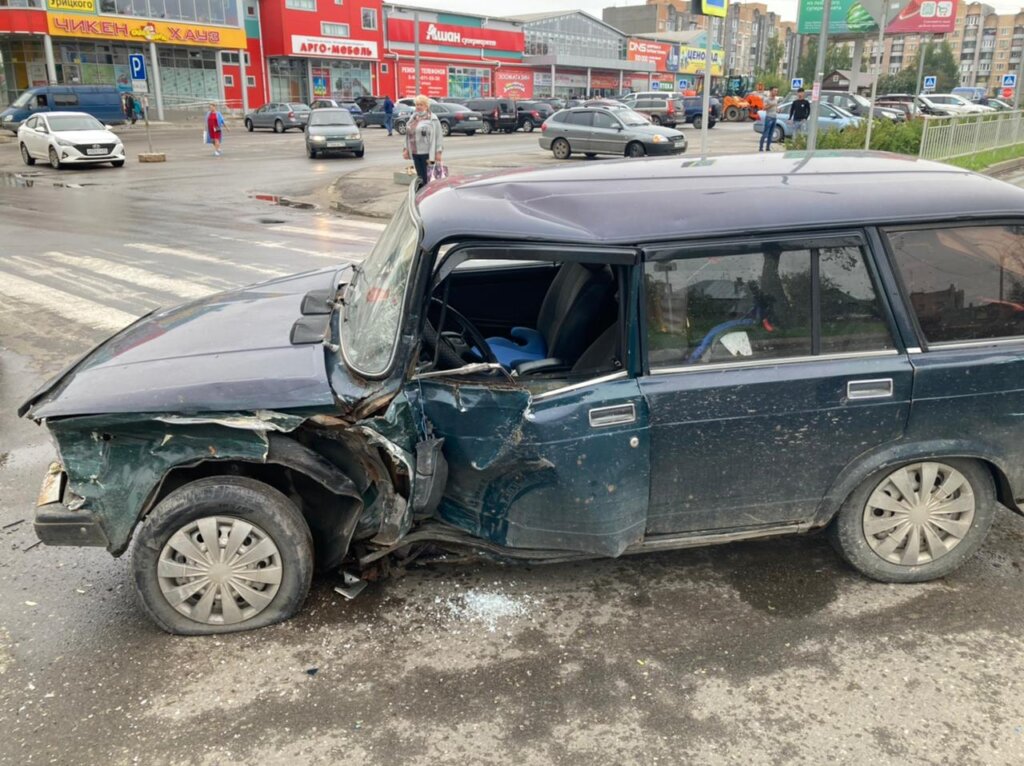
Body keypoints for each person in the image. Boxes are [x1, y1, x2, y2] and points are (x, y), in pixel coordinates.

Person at [402, 94, 443, 187]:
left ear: (426, 106)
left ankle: (429, 194)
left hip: (428, 153)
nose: (419, 107)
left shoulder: (432, 119)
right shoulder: (413, 118)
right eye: (417, 105)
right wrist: (406, 149)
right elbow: (408, 135)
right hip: (416, 153)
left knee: (429, 177)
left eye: (421, 105)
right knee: (420, 177)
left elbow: (438, 136)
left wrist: (438, 152)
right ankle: (422, 194)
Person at [759, 86, 779, 152]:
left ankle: (768, 148)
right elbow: (764, 108)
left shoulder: (776, 99)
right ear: (771, 91)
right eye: (774, 91)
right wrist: (771, 105)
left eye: (776, 91)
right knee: (765, 133)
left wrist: (778, 109)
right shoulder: (767, 99)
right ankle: (761, 147)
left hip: (774, 117)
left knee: (771, 134)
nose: (776, 92)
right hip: (769, 118)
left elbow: (776, 107)